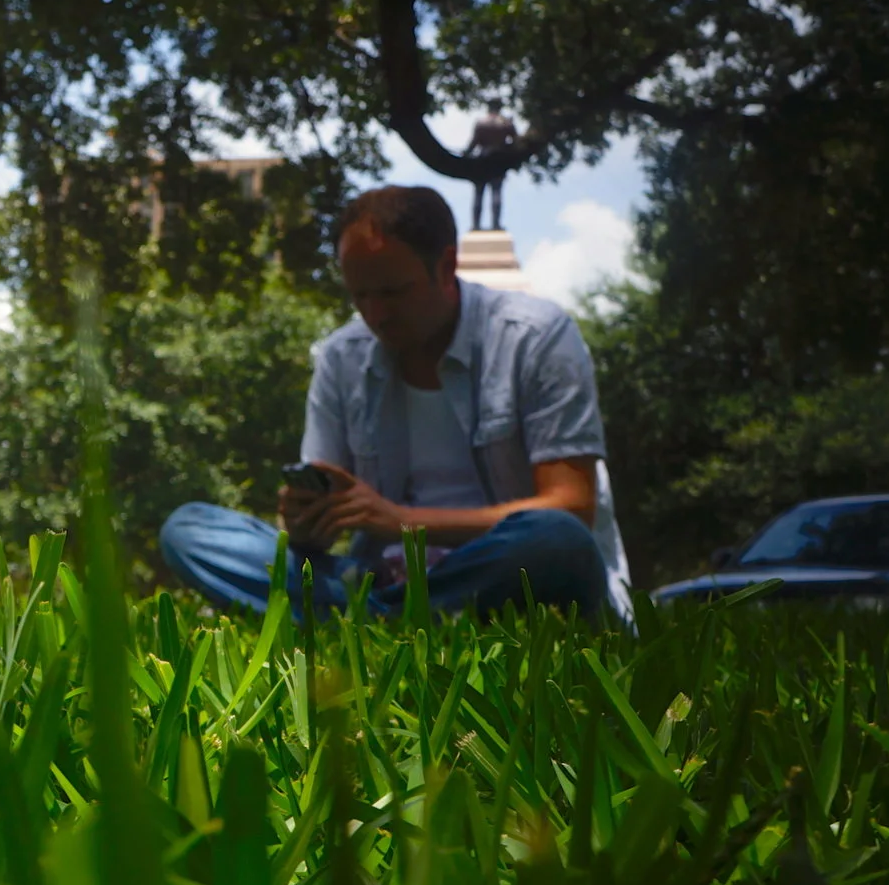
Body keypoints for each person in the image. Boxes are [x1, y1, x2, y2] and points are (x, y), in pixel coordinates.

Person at [159, 185, 631, 621]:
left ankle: (348, 617)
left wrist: (402, 523)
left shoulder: (536, 338)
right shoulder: (341, 358)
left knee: (555, 540)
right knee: (189, 529)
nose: (375, 313)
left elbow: (571, 507)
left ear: (446, 267)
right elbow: (326, 507)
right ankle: (390, 613)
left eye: (392, 292)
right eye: (360, 294)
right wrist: (309, 520)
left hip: (504, 570)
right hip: (376, 575)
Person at [464, 99, 517, 232]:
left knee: (478, 194)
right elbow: (516, 142)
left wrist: (465, 153)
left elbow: (473, 143)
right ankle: (496, 225)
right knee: (496, 192)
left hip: (482, 159)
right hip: (499, 160)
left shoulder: (481, 123)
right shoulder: (506, 123)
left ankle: (476, 226)